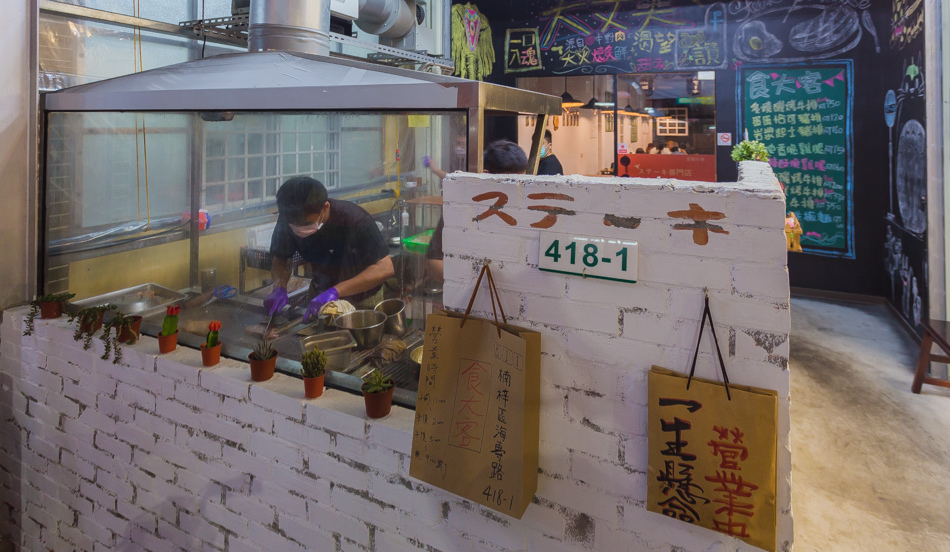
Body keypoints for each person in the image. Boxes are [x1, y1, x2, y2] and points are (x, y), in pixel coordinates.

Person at [264, 176, 395, 321]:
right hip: (319, 296)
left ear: (325, 207)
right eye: (294, 225)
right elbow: (280, 258)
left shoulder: (355, 219)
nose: (300, 229)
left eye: (307, 223)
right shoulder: (288, 218)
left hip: (361, 299)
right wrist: (279, 286)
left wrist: (336, 291)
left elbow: (385, 268)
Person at [426, 140, 527, 282]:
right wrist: (467, 285)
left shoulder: (523, 213)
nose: (518, 191)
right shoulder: (461, 210)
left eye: (523, 183)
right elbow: (434, 261)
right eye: (511, 183)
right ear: (487, 175)